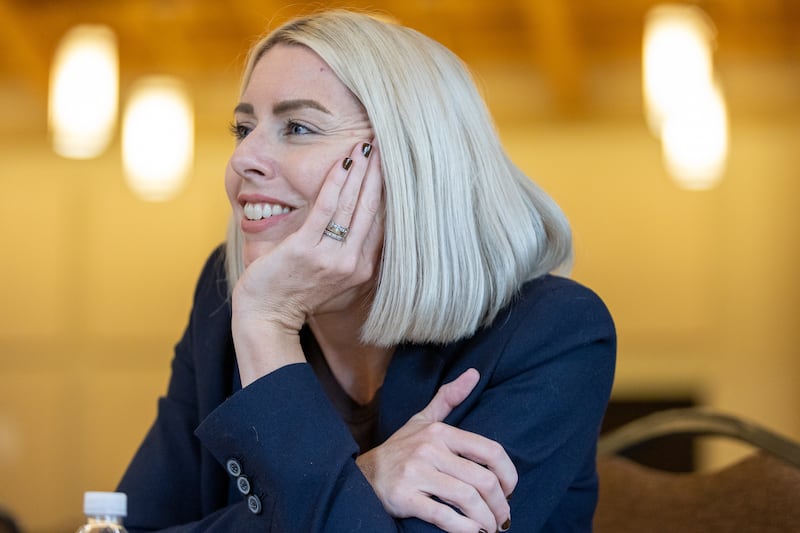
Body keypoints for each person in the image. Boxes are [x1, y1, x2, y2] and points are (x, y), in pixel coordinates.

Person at [117, 9, 616, 533]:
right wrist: (362, 480)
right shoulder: (227, 297)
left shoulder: (556, 333)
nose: (244, 158)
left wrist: (267, 324)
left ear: (409, 160)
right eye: (243, 128)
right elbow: (124, 527)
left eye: (298, 127)